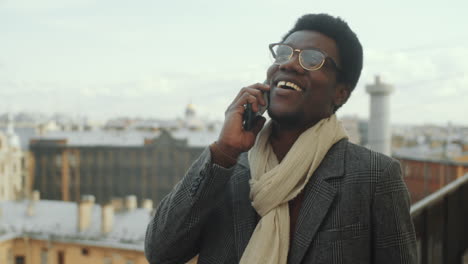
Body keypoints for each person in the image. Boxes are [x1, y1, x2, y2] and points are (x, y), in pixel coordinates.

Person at [145, 13, 417, 264]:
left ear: (341, 93)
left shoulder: (373, 176)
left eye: (312, 59)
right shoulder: (228, 167)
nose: (289, 64)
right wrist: (224, 150)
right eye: (284, 53)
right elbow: (161, 252)